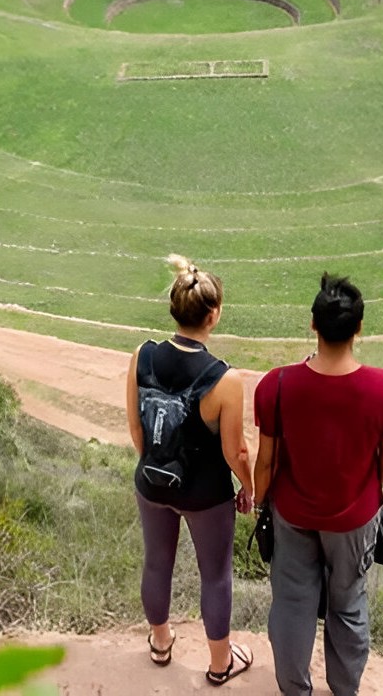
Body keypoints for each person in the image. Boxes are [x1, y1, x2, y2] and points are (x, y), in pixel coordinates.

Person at [253, 273, 383, 696]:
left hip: (293, 514)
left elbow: (266, 461)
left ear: (313, 325)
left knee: (292, 605)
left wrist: (258, 501)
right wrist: (355, 491)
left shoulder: (276, 385)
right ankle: (344, 688)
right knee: (348, 603)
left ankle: (294, 689)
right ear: (359, 328)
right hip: (354, 519)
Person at [124, 254, 255, 686]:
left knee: (156, 563)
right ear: (213, 316)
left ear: (174, 310)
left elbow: (136, 427)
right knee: (215, 575)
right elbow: (236, 450)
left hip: (151, 481)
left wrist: (153, 468)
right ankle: (220, 665)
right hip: (205, 493)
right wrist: (249, 487)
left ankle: (160, 643)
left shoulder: (141, 355)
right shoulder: (225, 379)